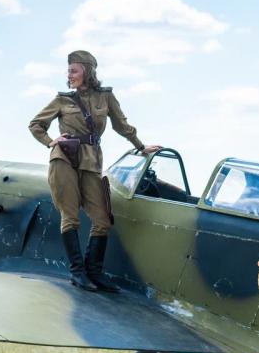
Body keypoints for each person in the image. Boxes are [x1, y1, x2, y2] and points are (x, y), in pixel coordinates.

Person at [28, 50, 160, 292]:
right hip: (64, 159)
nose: (69, 75)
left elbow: (122, 125)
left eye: (74, 70)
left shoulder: (106, 96)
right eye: (68, 71)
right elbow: (36, 124)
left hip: (91, 162)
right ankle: (78, 273)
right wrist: (50, 142)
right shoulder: (62, 99)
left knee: (102, 219)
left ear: (87, 71)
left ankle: (95, 273)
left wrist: (141, 147)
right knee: (70, 216)